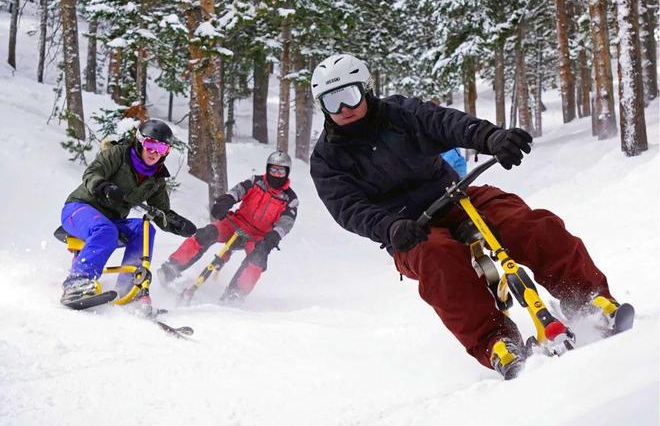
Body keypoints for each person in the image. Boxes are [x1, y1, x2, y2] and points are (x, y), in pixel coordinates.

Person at [308, 53, 630, 379]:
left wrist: (491, 138)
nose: (343, 109)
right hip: (409, 229)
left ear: (366, 89)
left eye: (349, 96)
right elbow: (346, 207)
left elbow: (446, 123)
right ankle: (496, 341)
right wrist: (389, 227)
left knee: (527, 224)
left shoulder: (400, 114)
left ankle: (589, 299)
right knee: (438, 260)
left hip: (456, 197)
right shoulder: (326, 159)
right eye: (332, 102)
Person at [60, 119, 197, 309]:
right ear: (140, 142)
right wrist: (104, 186)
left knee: (144, 229)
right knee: (105, 229)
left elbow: (160, 212)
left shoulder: (156, 179)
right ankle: (77, 281)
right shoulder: (119, 154)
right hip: (79, 209)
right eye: (150, 145)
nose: (154, 152)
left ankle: (129, 286)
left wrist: (176, 223)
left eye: (162, 148)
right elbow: (92, 173)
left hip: (110, 221)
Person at [158, 150, 298, 302]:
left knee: (259, 258)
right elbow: (237, 191)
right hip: (235, 223)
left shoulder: (290, 198)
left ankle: (235, 294)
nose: (276, 174)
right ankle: (172, 268)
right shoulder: (256, 182)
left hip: (257, 236)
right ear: (267, 169)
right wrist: (225, 202)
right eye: (273, 170)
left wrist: (274, 236)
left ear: (287, 173)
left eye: (280, 171)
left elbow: (286, 222)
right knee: (207, 233)